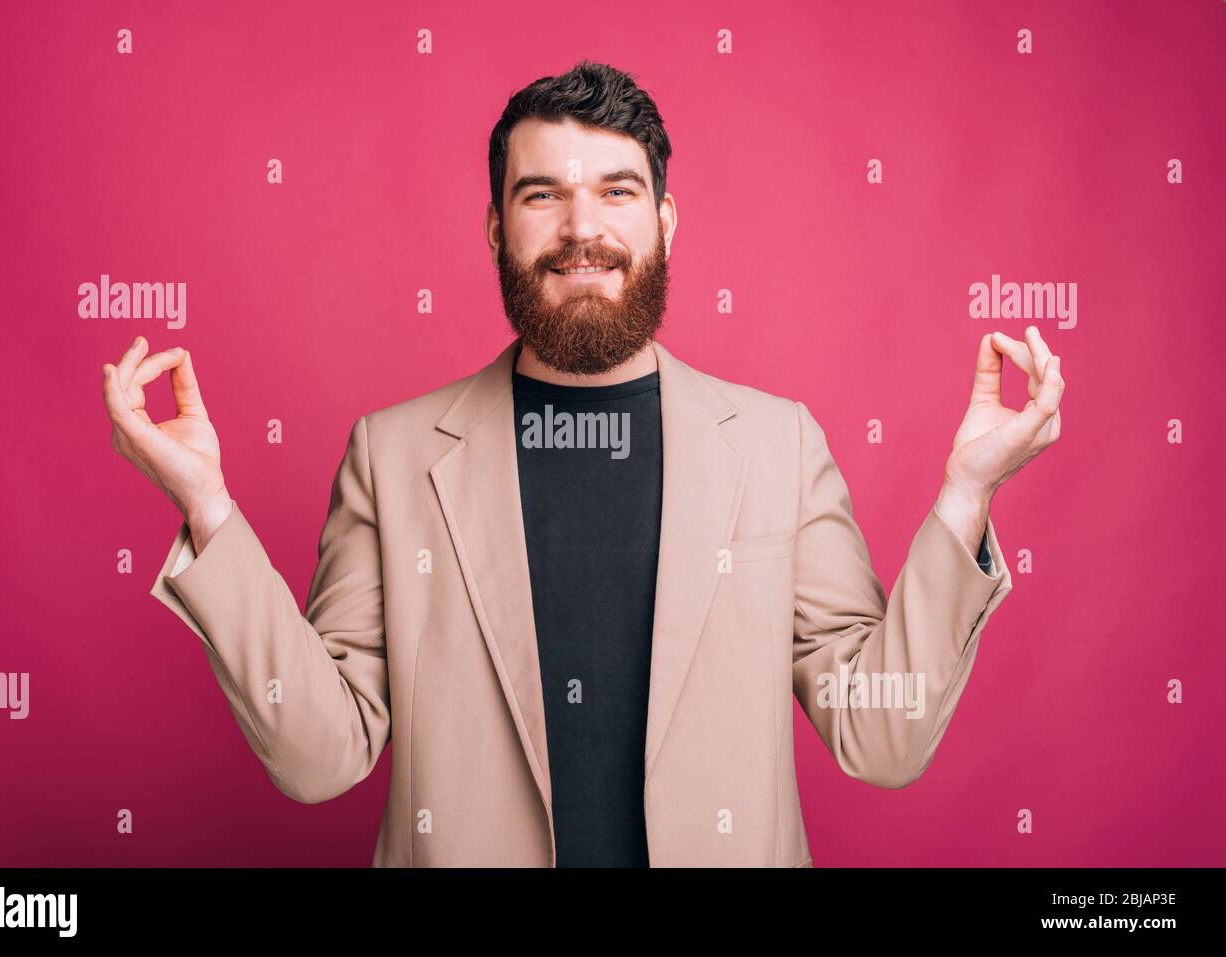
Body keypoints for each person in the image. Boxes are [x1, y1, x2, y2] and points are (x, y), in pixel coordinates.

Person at [101, 60, 1064, 867]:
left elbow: (881, 736)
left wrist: (965, 498)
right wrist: (209, 508)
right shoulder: (392, 457)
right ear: (495, 229)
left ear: (665, 221)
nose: (582, 229)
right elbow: (320, 757)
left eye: (615, 191)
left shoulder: (779, 445)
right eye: (541, 195)